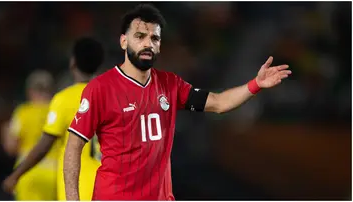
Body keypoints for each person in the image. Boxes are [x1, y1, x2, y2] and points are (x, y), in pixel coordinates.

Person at [64, 4, 292, 201]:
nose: (148, 44)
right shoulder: (101, 89)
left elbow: (219, 103)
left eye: (154, 38)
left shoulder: (170, 84)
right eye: (140, 36)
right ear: (124, 41)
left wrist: (255, 85)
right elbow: (74, 146)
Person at [2, 37, 104, 201]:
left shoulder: (63, 99)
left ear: (73, 63)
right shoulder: (112, 97)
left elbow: (43, 145)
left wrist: (16, 175)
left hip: (76, 186)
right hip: (107, 186)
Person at [1, 70, 58, 200]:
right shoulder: (57, 111)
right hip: (54, 174)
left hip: (27, 173)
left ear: (30, 91)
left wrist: (5, 131)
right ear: (52, 90)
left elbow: (11, 148)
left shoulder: (23, 112)